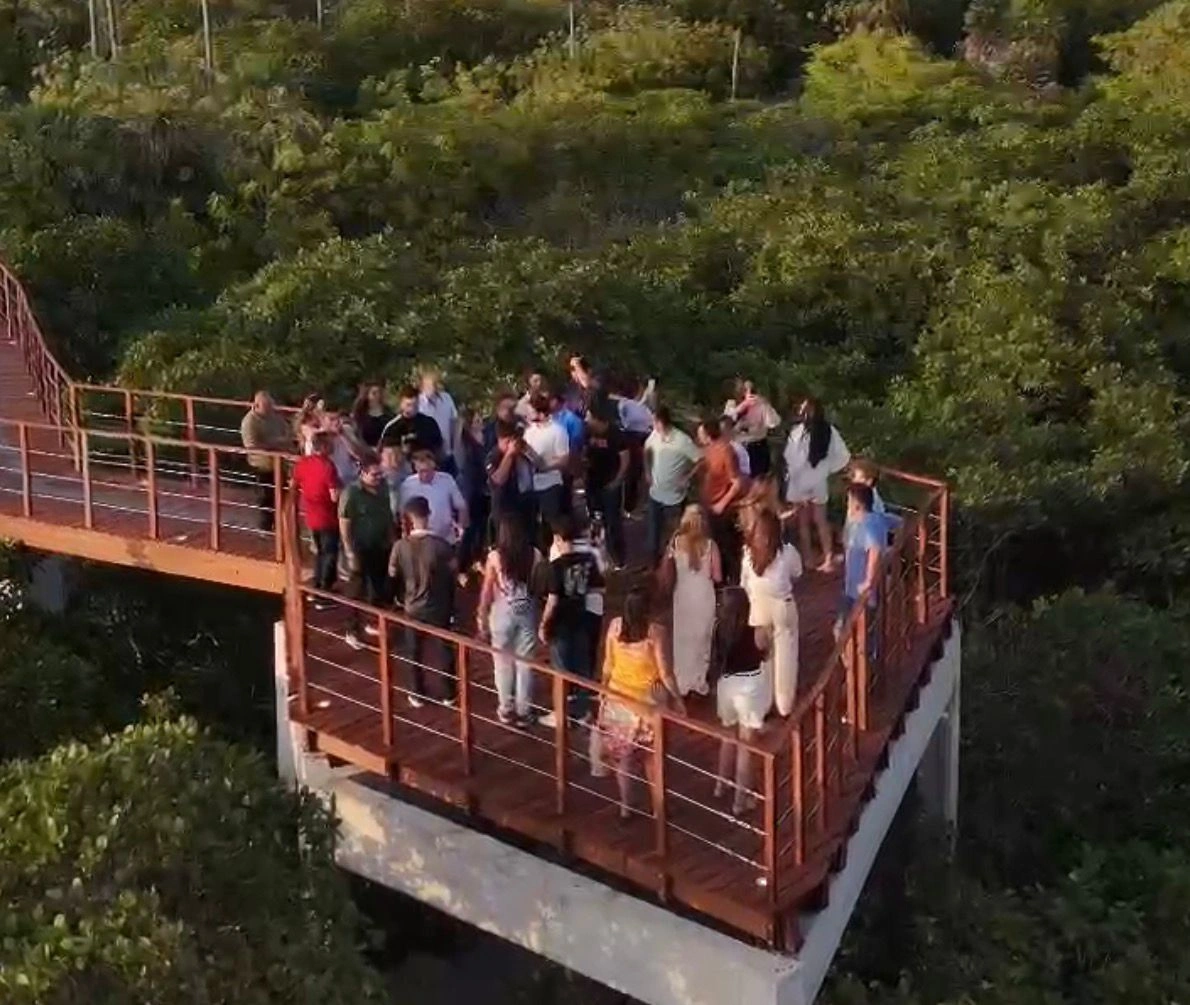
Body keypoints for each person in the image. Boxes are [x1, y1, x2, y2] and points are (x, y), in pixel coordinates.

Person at [595, 587, 683, 819]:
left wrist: (602, 691)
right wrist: (677, 699)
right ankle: (659, 808)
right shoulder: (656, 633)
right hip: (647, 704)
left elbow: (608, 664)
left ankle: (626, 807)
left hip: (617, 699)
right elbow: (665, 673)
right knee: (652, 759)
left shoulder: (615, 627)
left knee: (623, 758)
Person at [389, 496, 457, 708]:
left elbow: (392, 572)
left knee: (413, 650)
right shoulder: (440, 546)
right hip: (437, 606)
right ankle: (448, 692)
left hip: (412, 605)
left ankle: (416, 692)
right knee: (444, 649)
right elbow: (454, 570)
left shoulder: (400, 546)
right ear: (428, 515)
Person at [477, 514, 543, 726]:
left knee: (502, 663)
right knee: (526, 663)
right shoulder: (535, 554)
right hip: (528, 612)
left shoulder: (496, 556)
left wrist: (482, 615)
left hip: (501, 613)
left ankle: (506, 707)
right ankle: (524, 710)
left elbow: (487, 590)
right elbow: (539, 586)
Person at [538, 515, 603, 728]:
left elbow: (553, 600)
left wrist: (543, 625)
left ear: (557, 538)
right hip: (582, 617)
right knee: (582, 670)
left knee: (561, 671)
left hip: (561, 624)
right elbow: (597, 587)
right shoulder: (588, 560)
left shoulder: (555, 566)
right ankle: (583, 713)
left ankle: (561, 714)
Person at [713, 587, 773, 817]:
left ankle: (720, 784)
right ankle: (740, 800)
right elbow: (766, 654)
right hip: (749, 688)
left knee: (727, 736)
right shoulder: (757, 633)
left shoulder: (719, 630)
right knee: (746, 746)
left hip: (726, 685)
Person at [741, 509, 803, 717]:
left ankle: (762, 704)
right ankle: (784, 704)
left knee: (763, 659)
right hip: (782, 606)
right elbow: (798, 572)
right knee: (786, 655)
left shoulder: (748, 554)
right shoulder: (786, 553)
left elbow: (744, 583)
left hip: (758, 608)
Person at [783, 396, 850, 571]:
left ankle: (808, 558)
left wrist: (794, 473)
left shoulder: (798, 432)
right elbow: (843, 456)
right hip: (818, 480)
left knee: (804, 522)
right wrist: (828, 469)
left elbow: (789, 457)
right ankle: (828, 557)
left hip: (799, 481)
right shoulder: (828, 431)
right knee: (820, 520)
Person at [339, 456, 396, 649]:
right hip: (360, 547)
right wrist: (349, 551)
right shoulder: (351, 494)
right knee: (356, 589)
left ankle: (373, 621)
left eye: (381, 473)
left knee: (378, 584)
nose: (379, 477)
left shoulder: (383, 488)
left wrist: (392, 539)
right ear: (362, 473)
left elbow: (387, 514)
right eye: (374, 474)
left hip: (380, 544)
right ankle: (351, 629)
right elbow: (344, 524)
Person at [664, 505, 721, 697]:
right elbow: (717, 576)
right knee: (702, 639)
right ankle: (699, 680)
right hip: (704, 594)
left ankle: (682, 680)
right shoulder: (711, 545)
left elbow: (667, 568)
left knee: (682, 638)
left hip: (683, 594)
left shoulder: (676, 542)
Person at [549, 513, 608, 690]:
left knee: (567, 652)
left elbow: (555, 583)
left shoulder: (556, 550)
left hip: (565, 610)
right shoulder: (593, 549)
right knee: (587, 651)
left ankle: (569, 693)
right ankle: (585, 690)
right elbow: (603, 577)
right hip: (593, 607)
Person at [643, 405, 701, 566]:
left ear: (662, 422)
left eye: (655, 422)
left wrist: (687, 478)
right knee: (653, 537)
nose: (653, 426)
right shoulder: (654, 435)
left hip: (674, 499)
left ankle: (675, 568)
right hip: (655, 494)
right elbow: (646, 450)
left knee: (674, 536)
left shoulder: (682, 441)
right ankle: (654, 569)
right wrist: (648, 470)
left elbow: (700, 460)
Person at [696, 417, 747, 584]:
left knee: (728, 546)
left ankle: (734, 583)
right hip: (710, 505)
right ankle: (721, 581)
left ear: (708, 434)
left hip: (723, 507)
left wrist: (722, 503)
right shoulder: (709, 450)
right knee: (715, 544)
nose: (699, 437)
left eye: (701, 433)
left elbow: (737, 482)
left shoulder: (726, 451)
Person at [292, 431, 341, 602]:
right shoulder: (328, 466)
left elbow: (295, 482)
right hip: (328, 516)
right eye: (331, 443)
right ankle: (323, 591)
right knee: (329, 553)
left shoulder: (303, 463)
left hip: (311, 515)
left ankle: (317, 586)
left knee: (320, 552)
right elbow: (334, 495)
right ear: (325, 447)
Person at [838, 483, 885, 650]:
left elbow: (875, 550)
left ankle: (863, 669)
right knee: (850, 631)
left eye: (849, 501)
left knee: (851, 633)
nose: (847, 505)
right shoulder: (874, 520)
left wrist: (869, 581)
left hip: (859, 590)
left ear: (857, 504)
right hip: (852, 586)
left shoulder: (866, 525)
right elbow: (899, 523)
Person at [584, 397, 629, 569]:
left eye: (589, 416)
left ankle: (618, 559)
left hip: (610, 484)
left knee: (613, 523)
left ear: (597, 418)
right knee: (595, 519)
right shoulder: (587, 432)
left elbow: (625, 459)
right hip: (592, 483)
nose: (586, 420)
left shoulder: (616, 433)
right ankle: (596, 559)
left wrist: (617, 480)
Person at [521, 394, 571, 552]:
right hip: (531, 485)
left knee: (553, 524)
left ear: (541, 413)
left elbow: (564, 460)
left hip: (551, 484)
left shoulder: (558, 431)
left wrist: (546, 467)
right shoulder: (528, 432)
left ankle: (562, 554)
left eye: (531, 411)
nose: (527, 414)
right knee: (536, 527)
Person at [240, 390, 292, 532]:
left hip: (280, 463)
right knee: (266, 497)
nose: (270, 409)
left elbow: (287, 431)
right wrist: (275, 444)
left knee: (283, 495)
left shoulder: (275, 417)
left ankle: (279, 525)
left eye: (271, 406)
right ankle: (265, 527)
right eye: (266, 406)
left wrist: (284, 442)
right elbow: (251, 446)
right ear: (256, 405)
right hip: (262, 465)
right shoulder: (249, 422)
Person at [397, 449, 468, 545]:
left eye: (427, 471)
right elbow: (403, 513)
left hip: (445, 539)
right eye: (421, 471)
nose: (424, 474)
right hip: (419, 541)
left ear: (434, 467)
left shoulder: (446, 480)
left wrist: (461, 528)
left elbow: (461, 506)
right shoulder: (407, 485)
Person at [456, 408, 490, 578]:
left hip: (482, 488)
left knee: (481, 526)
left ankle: (476, 559)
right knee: (468, 528)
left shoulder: (482, 440)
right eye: (476, 421)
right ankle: (461, 567)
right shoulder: (466, 445)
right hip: (470, 489)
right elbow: (467, 470)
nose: (480, 424)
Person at [487, 419, 535, 536]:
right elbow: (498, 479)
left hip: (525, 504)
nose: (511, 445)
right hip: (505, 508)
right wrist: (509, 455)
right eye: (508, 441)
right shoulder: (493, 456)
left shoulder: (521, 451)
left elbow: (536, 465)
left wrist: (524, 451)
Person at [725, 380, 779, 478]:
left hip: (757, 446)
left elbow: (773, 423)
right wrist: (743, 406)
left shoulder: (762, 404)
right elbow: (726, 422)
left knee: (758, 480)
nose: (749, 393)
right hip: (738, 447)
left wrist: (766, 406)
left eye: (752, 390)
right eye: (745, 390)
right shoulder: (732, 404)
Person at [613, 387, 653, 514]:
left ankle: (627, 505)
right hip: (638, 438)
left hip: (631, 438)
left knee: (629, 473)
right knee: (633, 474)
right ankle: (629, 505)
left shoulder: (624, 404)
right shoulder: (641, 408)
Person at [380, 386, 443, 460]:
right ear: (401, 404)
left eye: (415, 405)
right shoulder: (392, 427)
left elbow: (439, 446)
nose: (412, 409)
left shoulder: (429, 423)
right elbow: (387, 453)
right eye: (408, 405)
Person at [417, 366, 459, 475]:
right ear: (422, 386)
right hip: (428, 453)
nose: (433, 387)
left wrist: (454, 445)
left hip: (447, 452)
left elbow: (454, 422)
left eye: (435, 384)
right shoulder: (418, 403)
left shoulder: (447, 399)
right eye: (429, 384)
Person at [322, 407, 361, 487]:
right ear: (323, 420)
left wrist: (342, 434)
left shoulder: (346, 430)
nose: (336, 422)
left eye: (337, 419)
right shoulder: (319, 437)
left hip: (351, 478)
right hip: (332, 482)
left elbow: (357, 454)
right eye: (331, 419)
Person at [351, 381, 394, 450]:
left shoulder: (388, 412)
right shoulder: (360, 413)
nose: (377, 396)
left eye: (379, 393)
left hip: (385, 451)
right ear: (367, 395)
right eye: (374, 393)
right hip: (366, 451)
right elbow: (356, 434)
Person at [379, 444, 410, 518]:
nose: (394, 458)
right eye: (389, 455)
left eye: (397, 454)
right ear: (381, 456)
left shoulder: (408, 473)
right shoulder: (376, 474)